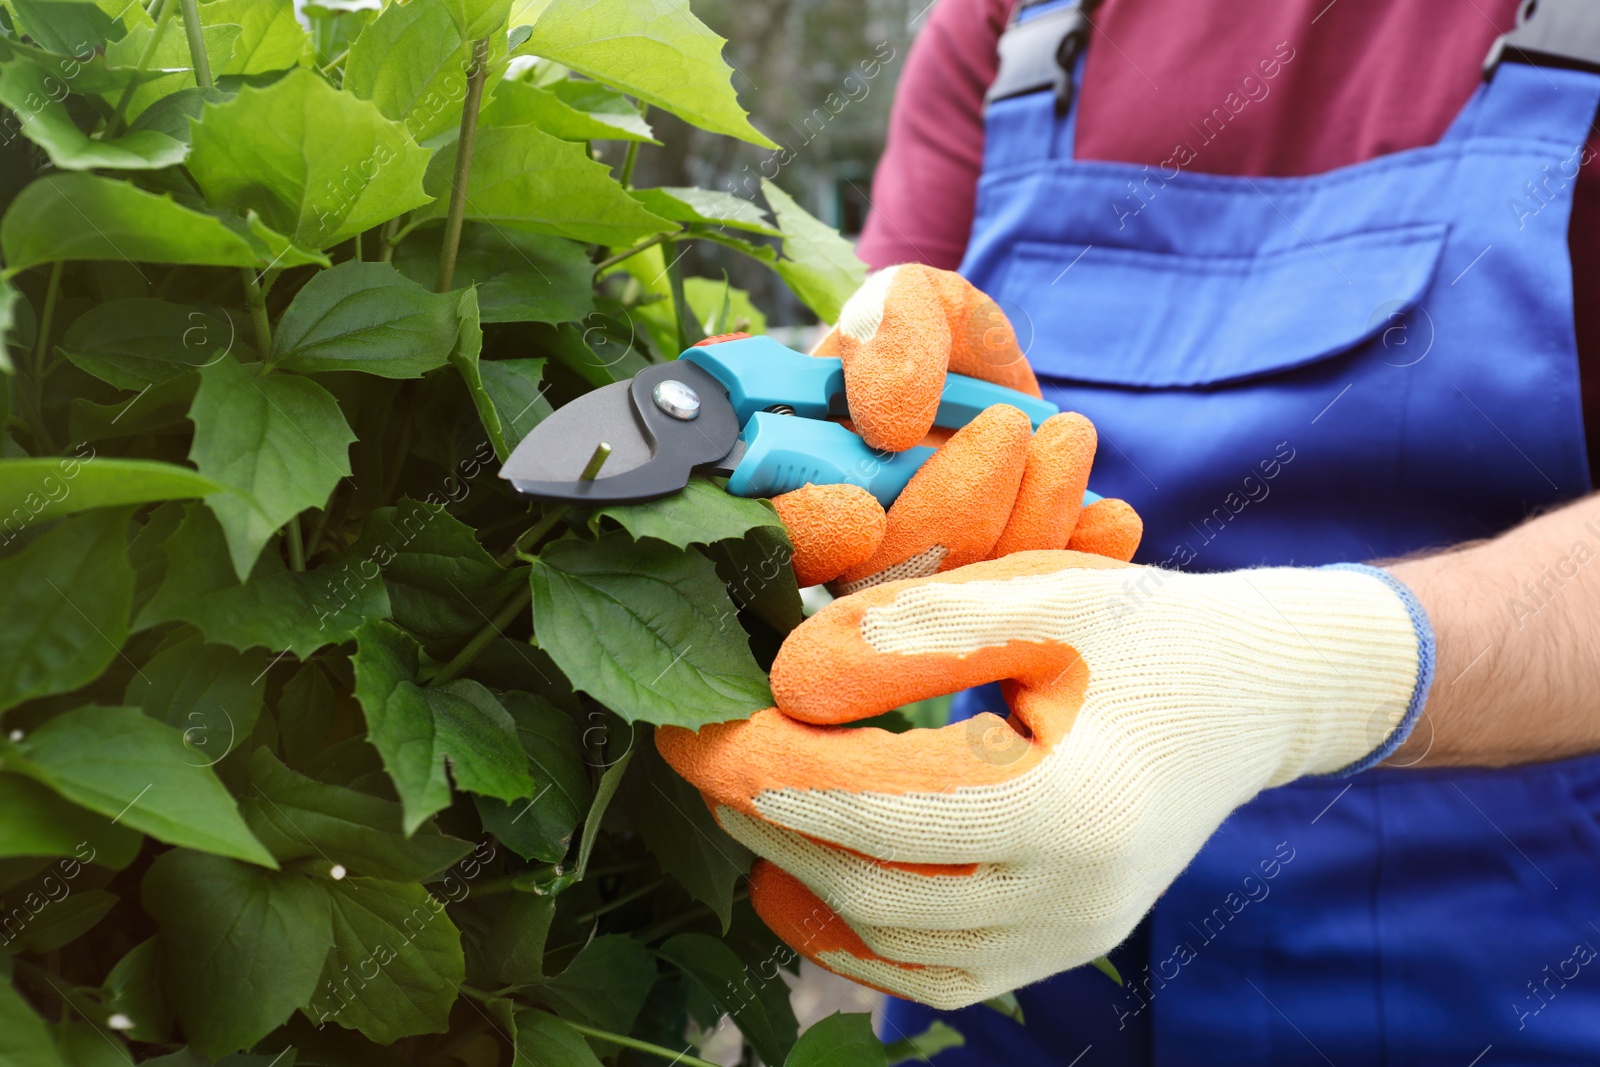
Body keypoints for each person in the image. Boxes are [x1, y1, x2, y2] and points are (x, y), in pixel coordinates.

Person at [662, 0, 1600, 1061]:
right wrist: (882, 502)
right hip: (1009, 962)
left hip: (1488, 975)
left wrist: (1310, 672)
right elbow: (887, 385)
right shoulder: (1011, 23)